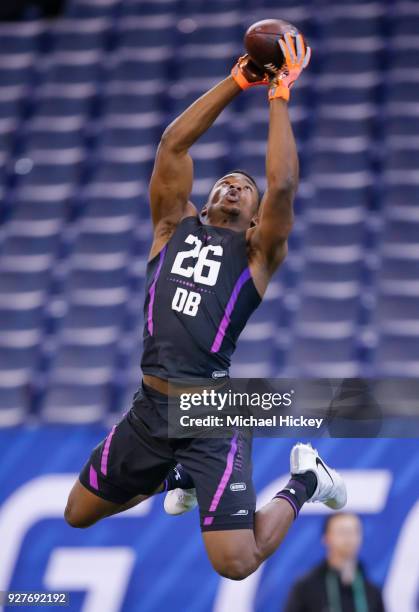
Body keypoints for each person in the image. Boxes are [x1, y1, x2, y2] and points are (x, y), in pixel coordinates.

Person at [64, 33, 347, 580]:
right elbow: (172, 145)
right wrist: (238, 79)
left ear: (256, 217)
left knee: (236, 564)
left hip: (210, 412)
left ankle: (307, 479)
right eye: (225, 182)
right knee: (77, 515)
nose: (233, 187)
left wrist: (278, 93)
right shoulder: (171, 226)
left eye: (244, 188)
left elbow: (282, 185)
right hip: (150, 408)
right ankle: (176, 474)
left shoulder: (257, 253)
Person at [284, 513, 386, 612]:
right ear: (326, 538)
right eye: (342, 531)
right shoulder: (306, 588)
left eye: (354, 531)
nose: (349, 538)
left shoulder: (371, 591)